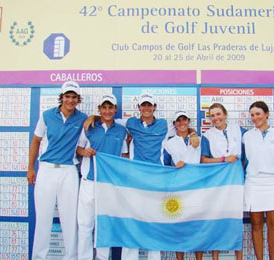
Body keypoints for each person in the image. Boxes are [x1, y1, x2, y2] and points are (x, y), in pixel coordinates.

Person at [85, 93, 199, 260]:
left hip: (157, 180)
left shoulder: (163, 125)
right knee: (132, 221)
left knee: (154, 223)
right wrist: (93, 116)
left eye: (149, 105)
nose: (146, 108)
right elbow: (108, 119)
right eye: (143, 105)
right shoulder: (129, 123)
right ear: (138, 108)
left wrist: (194, 134)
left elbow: (183, 128)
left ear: (154, 107)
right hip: (135, 180)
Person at [27, 81, 87, 260]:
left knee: (69, 220)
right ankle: (39, 257)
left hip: (68, 171)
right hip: (46, 170)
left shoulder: (82, 117)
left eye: (73, 97)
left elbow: (99, 120)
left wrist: (93, 118)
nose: (70, 100)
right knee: (43, 219)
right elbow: (36, 141)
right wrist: (31, 168)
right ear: (61, 98)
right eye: (67, 96)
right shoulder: (46, 115)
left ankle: (71, 257)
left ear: (78, 99)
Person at [77, 94, 129, 260]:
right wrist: (84, 152)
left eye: (110, 107)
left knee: (104, 226)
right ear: (99, 109)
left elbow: (124, 157)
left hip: (109, 185)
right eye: (104, 107)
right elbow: (78, 148)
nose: (107, 111)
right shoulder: (89, 126)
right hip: (89, 182)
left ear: (116, 109)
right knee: (85, 225)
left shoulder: (121, 130)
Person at [242, 101, 274, 260]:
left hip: (273, 182)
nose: (255, 118)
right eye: (252, 115)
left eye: (258, 114)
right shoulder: (246, 136)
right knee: (256, 224)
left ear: (266, 114)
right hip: (253, 182)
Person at [200, 103, 244, 260]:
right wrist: (224, 159)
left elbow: (255, 137)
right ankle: (215, 257)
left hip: (236, 180)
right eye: (212, 115)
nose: (216, 118)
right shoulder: (207, 135)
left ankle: (239, 257)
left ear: (225, 114)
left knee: (236, 218)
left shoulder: (238, 129)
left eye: (218, 114)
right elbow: (203, 160)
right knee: (217, 219)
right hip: (217, 181)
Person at [163, 110, 201, 260]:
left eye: (184, 120)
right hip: (177, 189)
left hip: (196, 188)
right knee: (178, 227)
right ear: (174, 124)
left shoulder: (198, 139)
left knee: (197, 227)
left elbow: (204, 160)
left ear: (188, 121)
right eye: (178, 121)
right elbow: (166, 166)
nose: (182, 123)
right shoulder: (169, 144)